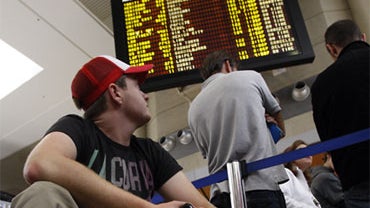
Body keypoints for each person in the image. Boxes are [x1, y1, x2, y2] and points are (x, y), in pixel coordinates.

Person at [11, 55, 215, 208]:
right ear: (115, 92)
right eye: (137, 87)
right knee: (42, 193)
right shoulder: (78, 130)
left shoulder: (150, 151)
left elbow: (201, 206)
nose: (146, 96)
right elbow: (39, 164)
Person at [188, 50, 288, 208]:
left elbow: (207, 152)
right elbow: (275, 111)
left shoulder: (193, 108)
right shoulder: (250, 76)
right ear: (228, 65)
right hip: (260, 187)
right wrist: (275, 130)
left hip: (220, 195)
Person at [311, 19, 370, 207]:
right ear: (363, 37)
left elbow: (327, 139)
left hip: (359, 179)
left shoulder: (322, 84)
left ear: (331, 49)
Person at [279, 140, 321, 208]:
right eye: (302, 150)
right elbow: (285, 200)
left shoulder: (303, 179)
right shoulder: (286, 173)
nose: (307, 152)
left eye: (308, 150)